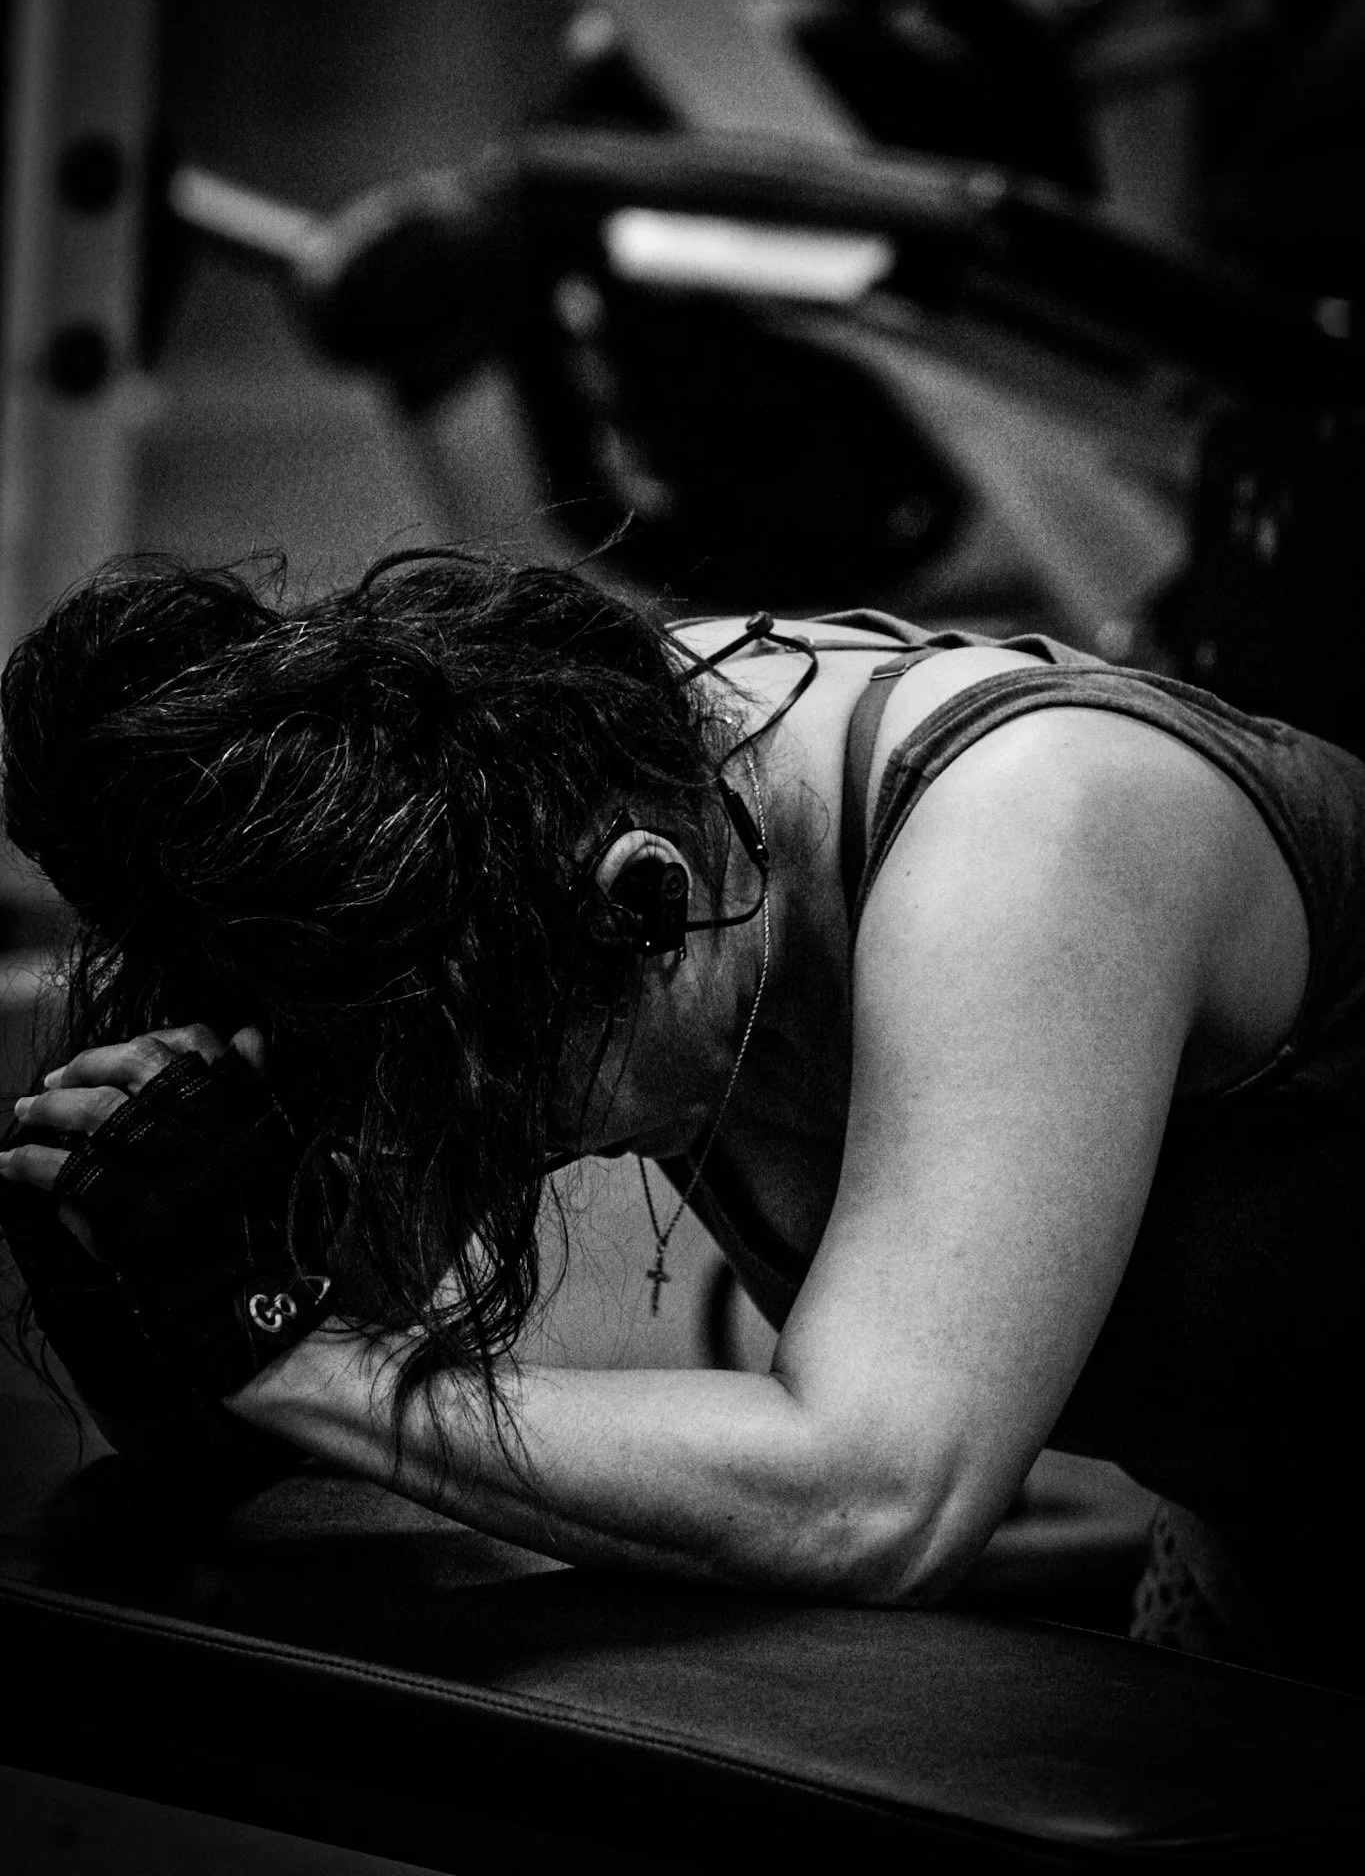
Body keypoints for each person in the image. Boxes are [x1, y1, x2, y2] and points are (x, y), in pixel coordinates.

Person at [1, 546, 1361, 1688]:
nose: (504, 1159)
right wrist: (151, 1269)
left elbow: (879, 1498)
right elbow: (285, 1421)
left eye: (520, 1116)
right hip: (1259, 1552)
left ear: (649, 905)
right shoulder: (544, 784)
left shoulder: (1037, 840)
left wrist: (298, 1359)